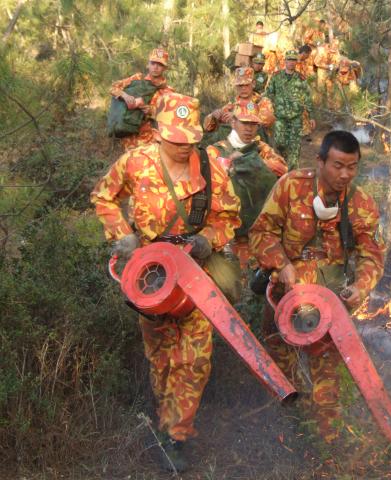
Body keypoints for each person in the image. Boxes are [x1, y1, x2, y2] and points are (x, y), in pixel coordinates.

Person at [91, 93, 241, 472]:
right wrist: (121, 235)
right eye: (175, 139)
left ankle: (177, 436)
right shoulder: (136, 162)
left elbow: (230, 217)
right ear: (157, 131)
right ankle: (165, 419)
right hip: (150, 278)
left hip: (194, 278)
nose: (183, 146)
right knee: (160, 359)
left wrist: (209, 238)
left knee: (193, 361)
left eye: (190, 138)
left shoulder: (210, 168)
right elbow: (103, 196)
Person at [249, 130, 385, 443]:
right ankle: (292, 415)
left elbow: (371, 255)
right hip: (283, 295)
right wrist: (281, 264)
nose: (345, 174)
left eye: (352, 167)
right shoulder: (291, 186)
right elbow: (262, 232)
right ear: (320, 160)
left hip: (327, 301)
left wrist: (362, 287)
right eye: (338, 165)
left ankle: (326, 441)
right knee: (276, 349)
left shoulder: (361, 203)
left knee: (327, 367)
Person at [208, 104, 287, 267]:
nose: (249, 129)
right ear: (233, 123)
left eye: (253, 125)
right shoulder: (216, 150)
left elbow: (282, 169)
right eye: (245, 123)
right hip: (229, 233)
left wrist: (250, 161)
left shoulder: (261, 149)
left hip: (259, 231)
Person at [110, 48, 174, 151]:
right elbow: (113, 88)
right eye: (153, 63)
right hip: (130, 139)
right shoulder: (137, 78)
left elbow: (171, 116)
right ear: (148, 64)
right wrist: (125, 95)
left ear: (165, 68)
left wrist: (151, 111)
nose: (155, 67)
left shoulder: (168, 91)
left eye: (160, 64)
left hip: (151, 142)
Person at [264, 50, 315, 169]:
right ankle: (285, 161)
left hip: (296, 118)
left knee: (294, 146)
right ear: (285, 61)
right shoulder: (276, 77)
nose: (291, 62)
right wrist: (266, 110)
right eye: (289, 60)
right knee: (280, 143)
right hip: (280, 118)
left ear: (296, 62)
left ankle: (292, 172)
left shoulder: (301, 79)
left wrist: (311, 116)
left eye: (293, 60)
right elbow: (268, 94)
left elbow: (307, 97)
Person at [203, 67, 275, 144]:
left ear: (253, 84)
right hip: (233, 150)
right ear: (236, 86)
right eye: (240, 85)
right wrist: (213, 116)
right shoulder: (232, 105)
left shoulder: (262, 102)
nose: (243, 88)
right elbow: (208, 128)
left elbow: (267, 121)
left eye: (246, 85)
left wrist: (236, 118)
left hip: (257, 148)